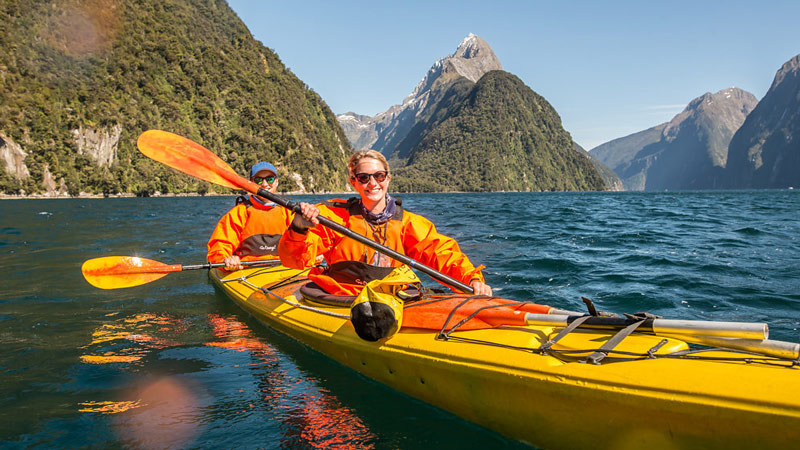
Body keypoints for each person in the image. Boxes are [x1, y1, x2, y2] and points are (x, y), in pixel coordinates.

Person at [278, 150, 492, 296]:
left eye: (379, 176)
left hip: (390, 299)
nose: (372, 183)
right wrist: (299, 227)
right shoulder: (332, 218)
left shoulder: (409, 223)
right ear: (354, 182)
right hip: (340, 297)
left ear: (388, 178)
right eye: (363, 178)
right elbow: (293, 262)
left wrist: (471, 280)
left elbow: (441, 253)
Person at [207, 161, 293, 270]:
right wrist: (225, 259)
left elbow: (303, 242)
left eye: (270, 179)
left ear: (276, 182)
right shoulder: (239, 213)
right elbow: (220, 245)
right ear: (251, 184)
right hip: (246, 271)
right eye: (258, 180)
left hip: (282, 268)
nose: (264, 184)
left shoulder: (288, 212)